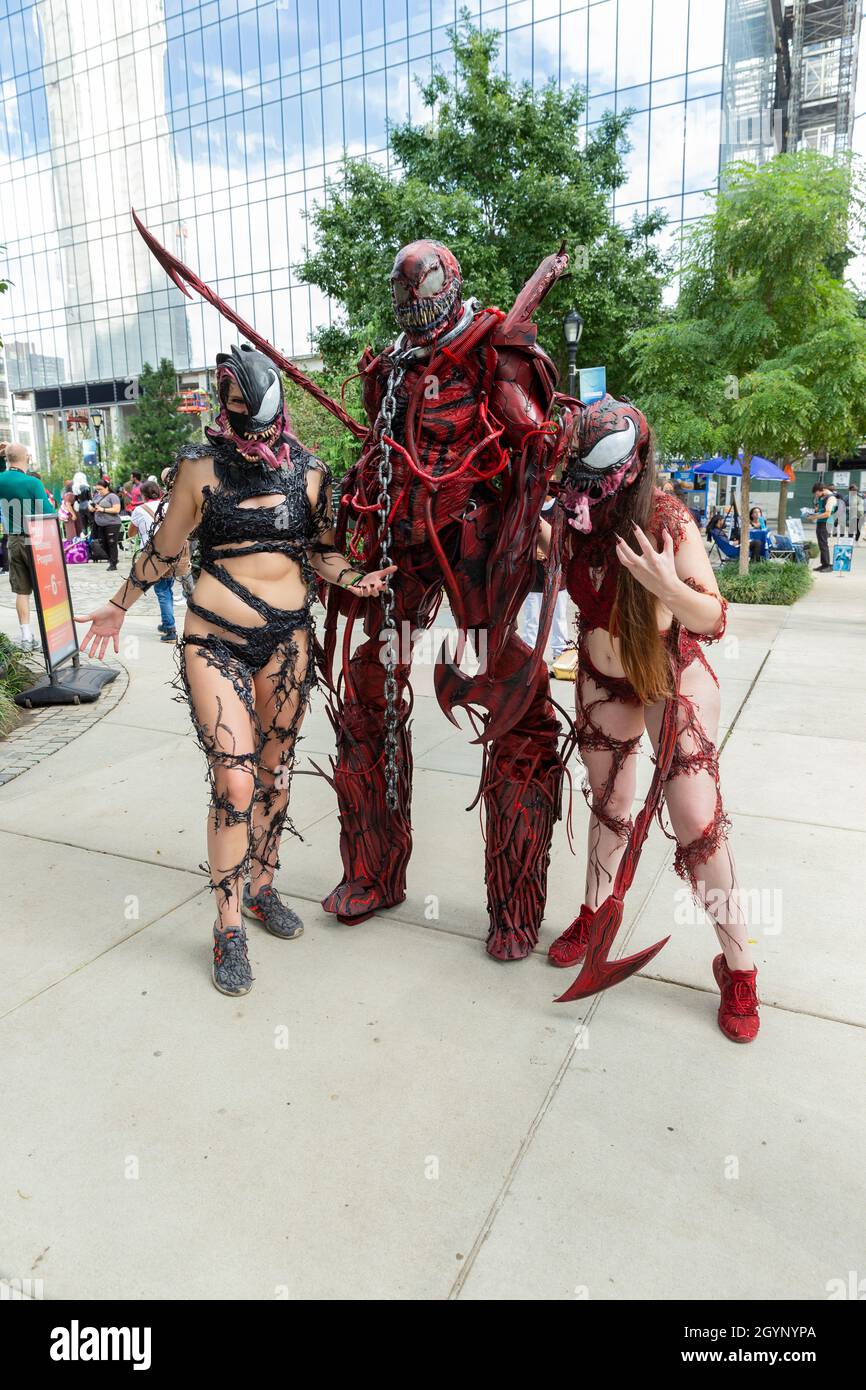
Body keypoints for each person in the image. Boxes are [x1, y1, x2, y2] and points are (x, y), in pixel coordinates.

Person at [75, 344, 395, 997]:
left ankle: (262, 887)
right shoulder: (198, 469)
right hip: (214, 640)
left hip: (287, 641)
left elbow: (322, 555)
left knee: (274, 776)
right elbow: (165, 553)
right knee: (236, 782)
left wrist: (358, 579)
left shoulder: (310, 473)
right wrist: (116, 605)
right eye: (237, 416)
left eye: (257, 418)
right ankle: (227, 929)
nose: (249, 431)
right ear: (224, 407)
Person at [317, 240, 564, 960]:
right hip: (404, 549)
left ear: (448, 287)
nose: (415, 309)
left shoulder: (494, 349)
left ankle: (515, 904)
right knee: (368, 686)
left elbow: (533, 442)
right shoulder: (391, 363)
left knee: (516, 699)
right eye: (406, 298)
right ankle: (373, 869)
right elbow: (379, 449)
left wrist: (539, 505)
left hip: (473, 548)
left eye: (422, 294)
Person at [544, 395, 760, 1043]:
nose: (577, 489)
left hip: (671, 671)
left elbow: (714, 619)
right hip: (602, 672)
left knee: (698, 822)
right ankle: (593, 913)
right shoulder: (569, 516)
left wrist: (666, 584)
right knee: (609, 802)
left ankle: (740, 966)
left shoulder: (666, 516)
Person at [0, 442, 57, 651]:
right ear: (28, 458)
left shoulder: (1, 480)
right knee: (44, 590)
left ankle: (26, 637)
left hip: (13, 540)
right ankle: (49, 638)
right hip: (36, 540)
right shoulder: (32, 483)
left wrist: (2, 456)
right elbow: (49, 512)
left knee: (21, 591)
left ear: (7, 458)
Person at [522, 495, 570, 668]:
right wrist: (533, 550)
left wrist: (552, 549)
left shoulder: (562, 506)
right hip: (534, 573)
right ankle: (529, 654)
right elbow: (520, 535)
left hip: (557, 571)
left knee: (559, 617)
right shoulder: (529, 506)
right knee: (532, 618)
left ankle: (561, 653)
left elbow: (567, 536)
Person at [129, 480, 177, 642]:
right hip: (172, 552)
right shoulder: (169, 506)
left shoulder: (139, 510)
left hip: (154, 554)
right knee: (167, 588)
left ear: (143, 495)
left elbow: (130, 532)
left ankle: (170, 629)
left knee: (162, 591)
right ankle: (166, 623)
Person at [91, 480, 122, 569]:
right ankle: (112, 558)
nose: (99, 491)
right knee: (102, 543)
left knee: (111, 543)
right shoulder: (97, 496)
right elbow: (92, 506)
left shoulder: (113, 496)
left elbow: (117, 510)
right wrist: (92, 508)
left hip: (112, 523)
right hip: (100, 524)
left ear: (106, 487)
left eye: (100, 489)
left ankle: (113, 563)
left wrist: (103, 509)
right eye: (97, 489)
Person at [807, 482, 836, 572]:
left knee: (823, 544)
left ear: (822, 490)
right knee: (821, 544)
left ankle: (827, 565)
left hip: (826, 523)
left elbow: (827, 513)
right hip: (820, 523)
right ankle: (824, 564)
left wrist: (814, 517)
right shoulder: (822, 497)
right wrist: (813, 512)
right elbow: (820, 510)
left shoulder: (831, 498)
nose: (816, 495)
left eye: (817, 493)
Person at [72, 471, 92, 536]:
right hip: (87, 506)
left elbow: (76, 500)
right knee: (92, 523)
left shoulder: (75, 488)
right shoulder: (86, 487)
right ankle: (93, 540)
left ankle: (84, 542)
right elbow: (90, 498)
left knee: (84, 526)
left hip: (80, 507)